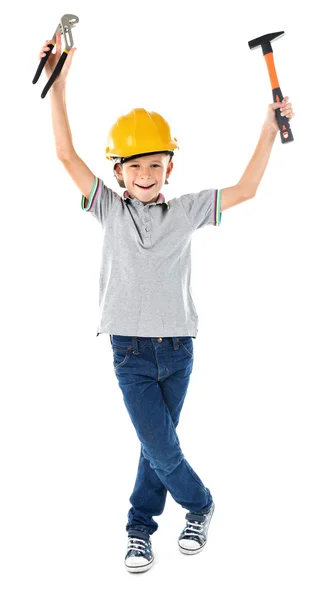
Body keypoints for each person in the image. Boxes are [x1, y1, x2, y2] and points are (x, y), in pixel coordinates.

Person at [39, 32, 295, 574]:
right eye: (134, 167)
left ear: (169, 168)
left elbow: (245, 189)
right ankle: (198, 504)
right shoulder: (107, 208)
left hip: (178, 349)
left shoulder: (187, 211)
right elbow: (64, 152)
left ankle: (138, 531)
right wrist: (59, 82)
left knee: (156, 448)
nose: (146, 176)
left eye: (155, 165)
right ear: (117, 172)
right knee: (161, 447)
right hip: (129, 353)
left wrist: (268, 131)